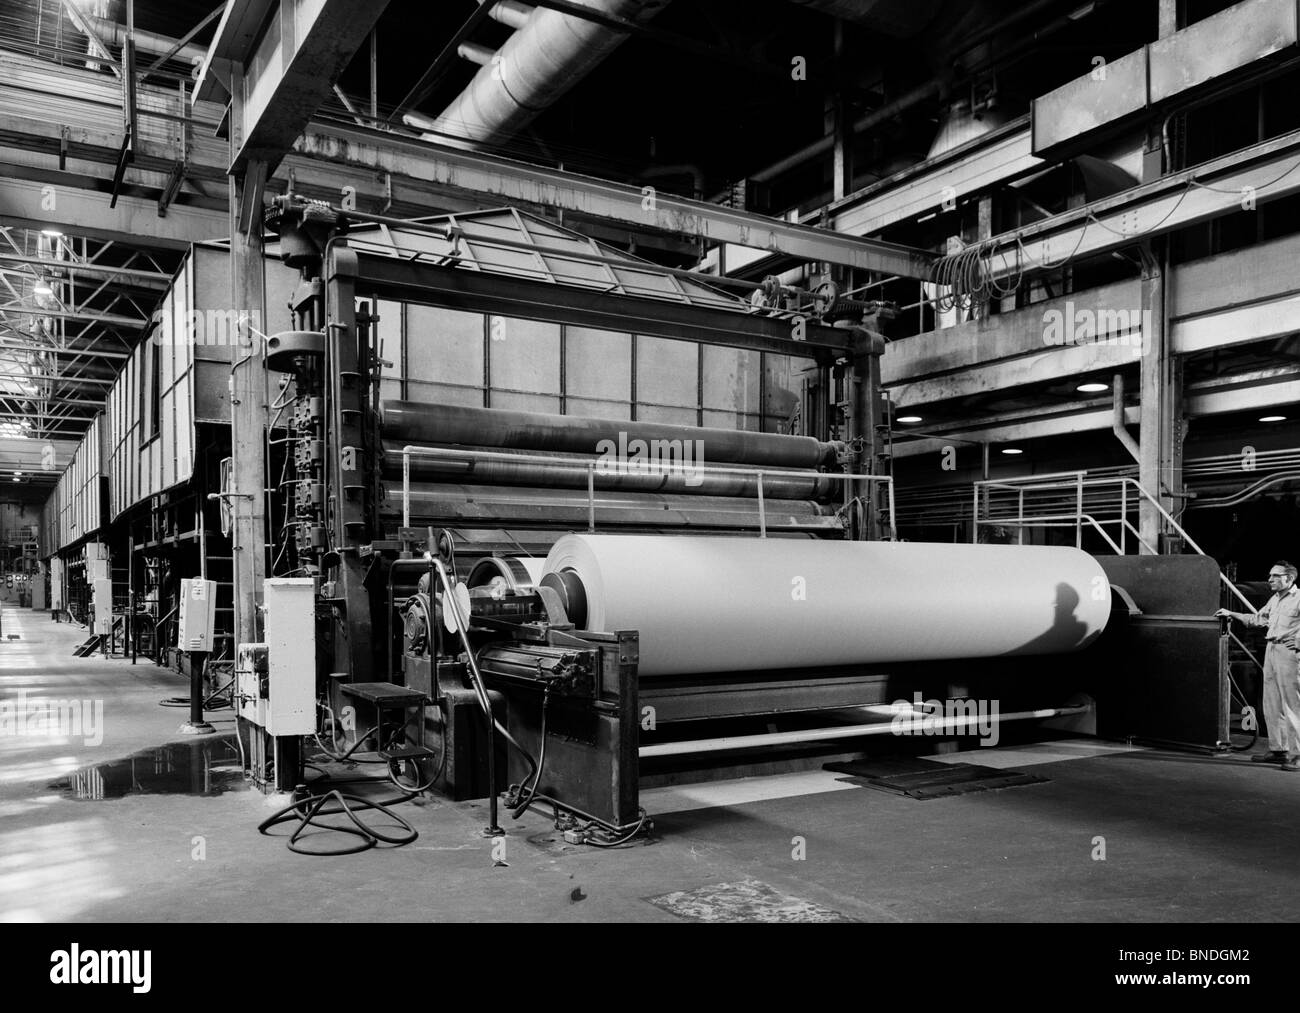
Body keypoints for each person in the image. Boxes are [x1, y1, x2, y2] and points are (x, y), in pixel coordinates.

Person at [1216, 561, 1300, 771]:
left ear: (1289, 578)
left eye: (1275, 576)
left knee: (1292, 705)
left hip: (1289, 654)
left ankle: (1297, 754)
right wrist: (1231, 613)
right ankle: (1279, 750)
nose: (1269, 579)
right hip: (1271, 651)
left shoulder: (1299, 599)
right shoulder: (1275, 599)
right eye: (1270, 575)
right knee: (1272, 703)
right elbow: (1257, 619)